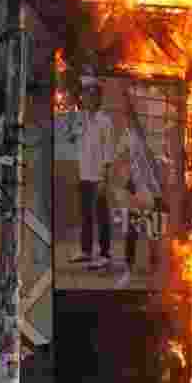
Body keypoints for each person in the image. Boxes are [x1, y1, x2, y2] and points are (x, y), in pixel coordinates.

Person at [68, 77, 127, 270]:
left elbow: (108, 152)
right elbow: (73, 141)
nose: (83, 98)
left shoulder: (104, 121)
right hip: (84, 174)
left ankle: (104, 254)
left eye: (87, 95)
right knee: (85, 214)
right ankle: (86, 252)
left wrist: (105, 178)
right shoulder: (83, 119)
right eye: (83, 95)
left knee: (101, 214)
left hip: (98, 176)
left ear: (96, 97)